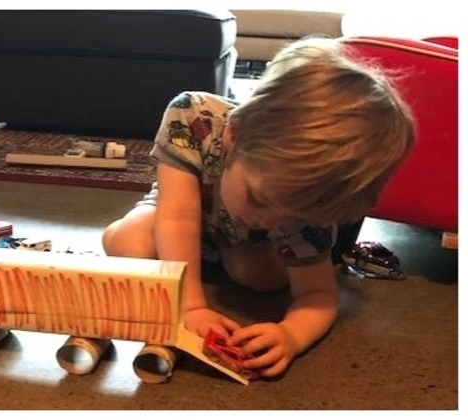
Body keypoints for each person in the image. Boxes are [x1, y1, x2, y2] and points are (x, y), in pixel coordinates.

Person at [102, 36, 415, 378]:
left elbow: (318, 296)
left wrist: (291, 335)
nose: (266, 220)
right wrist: (189, 305)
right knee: (128, 244)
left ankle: (216, 262)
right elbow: (177, 218)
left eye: (294, 217)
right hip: (181, 213)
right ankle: (196, 265)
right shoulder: (193, 118)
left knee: (262, 279)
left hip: (245, 245)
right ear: (234, 135)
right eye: (259, 198)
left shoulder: (311, 199)